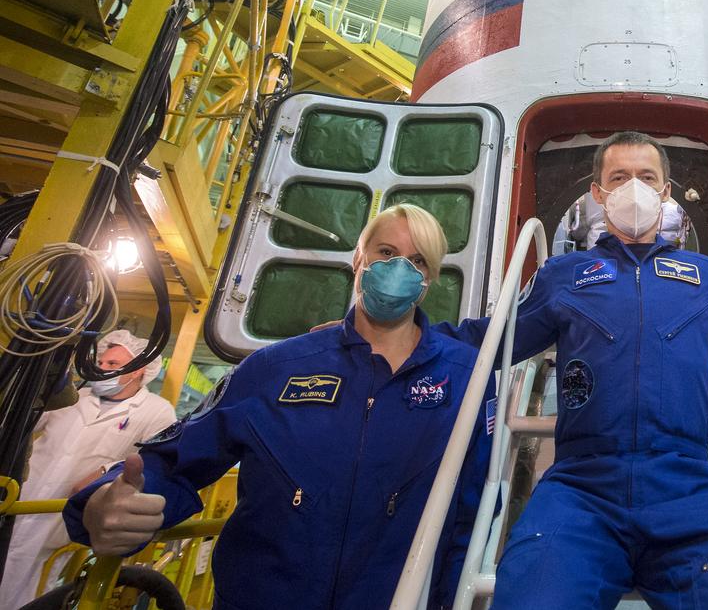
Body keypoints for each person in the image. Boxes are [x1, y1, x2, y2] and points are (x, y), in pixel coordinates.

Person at [61, 205, 494, 610]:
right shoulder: (275, 367)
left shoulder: (465, 377)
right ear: (358, 260)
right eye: (386, 252)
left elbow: (473, 519)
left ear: (430, 279)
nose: (399, 268)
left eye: (417, 261)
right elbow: (175, 458)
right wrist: (104, 505)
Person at [441, 131, 708, 609]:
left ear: (665, 192)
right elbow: (496, 338)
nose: (634, 188)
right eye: (619, 177)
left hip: (689, 487)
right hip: (582, 488)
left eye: (647, 177)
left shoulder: (706, 278)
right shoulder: (562, 276)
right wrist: (409, 336)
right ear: (598, 193)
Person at [0, 328, 175, 609]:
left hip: (64, 515)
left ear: (138, 370)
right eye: (101, 363)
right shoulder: (75, 397)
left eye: (112, 364)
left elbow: (153, 459)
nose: (102, 368)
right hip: (21, 499)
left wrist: (103, 474)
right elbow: (24, 423)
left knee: (42, 585)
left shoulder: (157, 411)